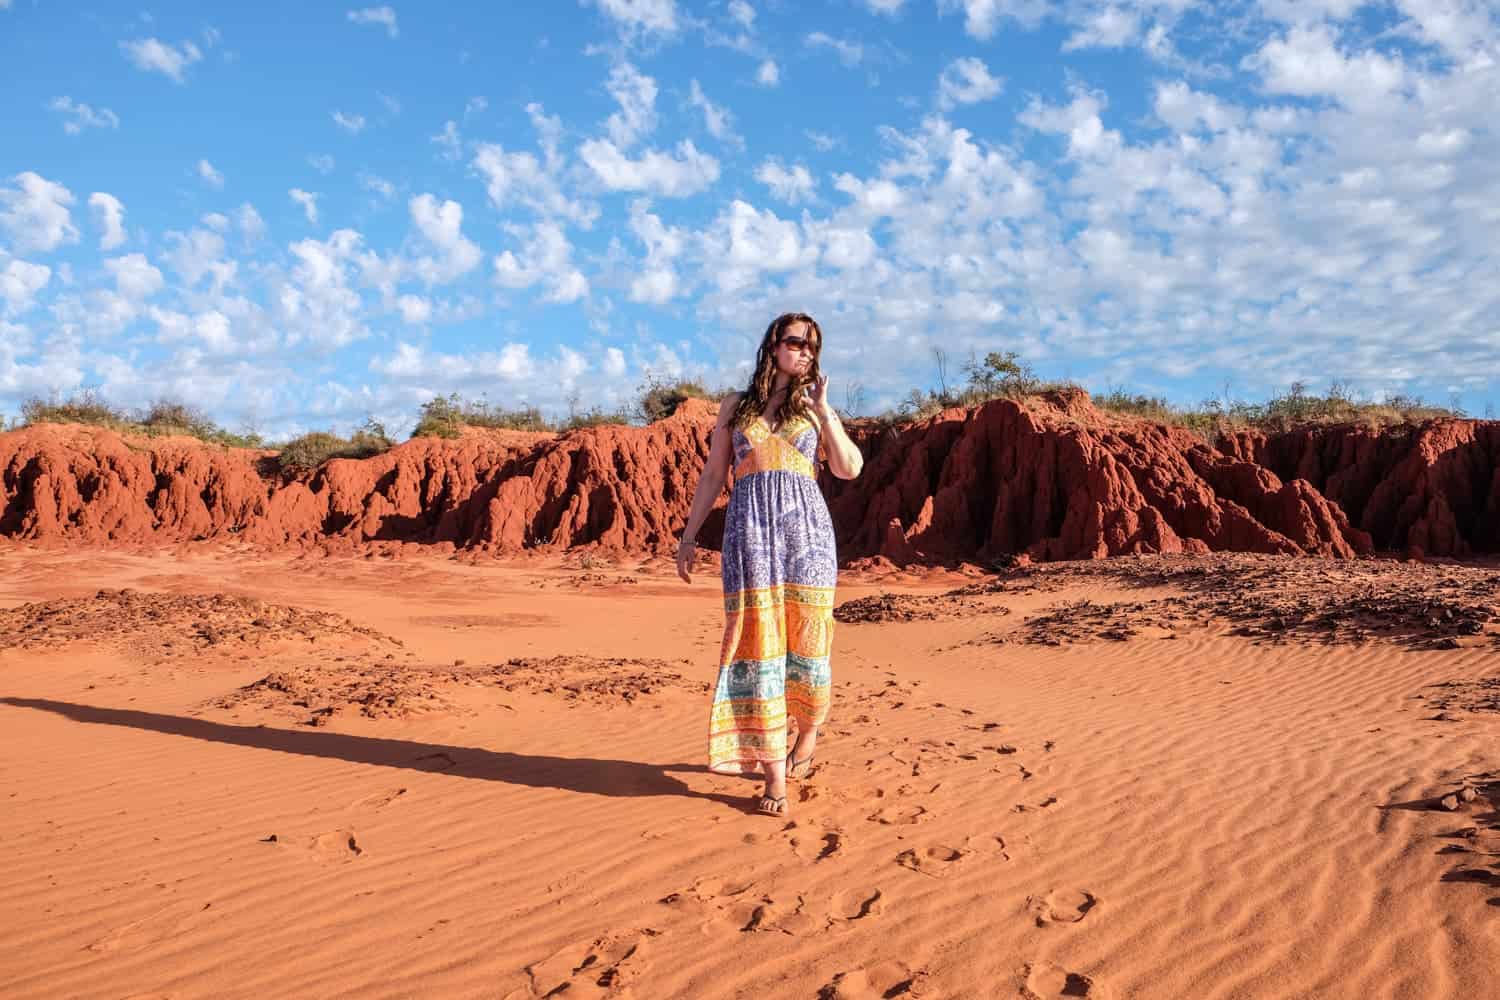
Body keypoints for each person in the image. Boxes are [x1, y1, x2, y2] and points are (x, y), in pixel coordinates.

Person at [675, 312, 865, 817]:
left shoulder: (815, 407)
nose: (805, 352)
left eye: (813, 347)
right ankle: (773, 773)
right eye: (797, 342)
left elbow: (849, 469)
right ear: (773, 345)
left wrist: (825, 414)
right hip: (750, 535)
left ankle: (807, 734)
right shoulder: (736, 406)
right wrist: (690, 535)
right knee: (758, 646)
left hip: (808, 536)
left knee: (808, 643)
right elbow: (715, 472)